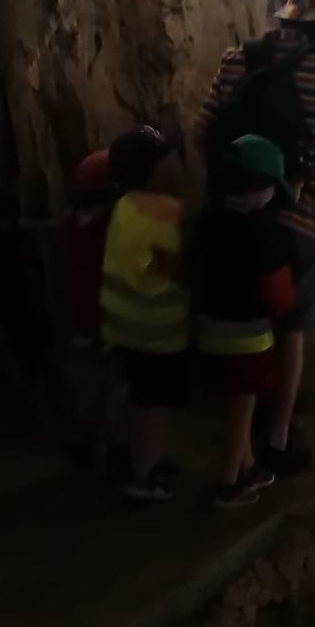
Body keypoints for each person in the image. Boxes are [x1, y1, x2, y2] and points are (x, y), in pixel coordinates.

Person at [199, 0, 315, 474]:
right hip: (301, 213)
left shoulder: (237, 59)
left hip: (234, 215)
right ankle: (277, 433)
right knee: (291, 325)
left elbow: (204, 130)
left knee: (247, 321)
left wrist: (228, 193)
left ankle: (240, 434)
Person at [194, 134, 297, 510]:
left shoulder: (206, 218)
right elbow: (278, 293)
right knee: (242, 412)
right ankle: (228, 484)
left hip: (210, 328)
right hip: (249, 337)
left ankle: (248, 467)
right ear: (257, 184)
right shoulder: (265, 232)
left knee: (235, 403)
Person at [99, 124, 189, 503]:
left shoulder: (122, 205)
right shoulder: (171, 213)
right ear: (153, 169)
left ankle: (132, 458)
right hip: (158, 329)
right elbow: (179, 267)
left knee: (132, 399)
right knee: (154, 405)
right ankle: (143, 475)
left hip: (120, 325)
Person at [63, 147, 126, 472]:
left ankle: (82, 443)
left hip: (79, 316)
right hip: (111, 314)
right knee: (118, 384)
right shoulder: (112, 228)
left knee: (87, 386)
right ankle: (117, 449)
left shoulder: (71, 226)